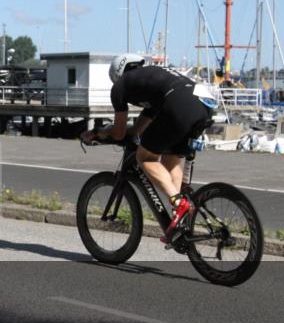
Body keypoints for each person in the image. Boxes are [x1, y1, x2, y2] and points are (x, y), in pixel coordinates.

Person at [80, 54, 216, 242]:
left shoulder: (120, 86)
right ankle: (180, 222)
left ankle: (179, 203)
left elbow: (119, 133)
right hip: (203, 102)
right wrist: (119, 133)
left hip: (180, 103)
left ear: (118, 74)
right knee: (171, 159)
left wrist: (98, 132)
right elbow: (136, 130)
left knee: (145, 157)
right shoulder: (152, 83)